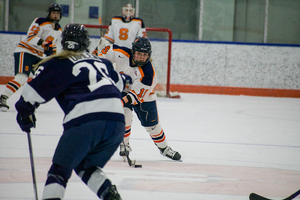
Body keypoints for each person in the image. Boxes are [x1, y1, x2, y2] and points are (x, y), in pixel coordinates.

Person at [15, 24, 132, 200]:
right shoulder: (103, 62)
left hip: (86, 120)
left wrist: (25, 113)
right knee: (85, 165)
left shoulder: (58, 62)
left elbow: (31, 94)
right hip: (116, 122)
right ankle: (110, 195)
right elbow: (122, 84)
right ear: (85, 43)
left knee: (58, 172)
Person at [98, 36, 181, 161]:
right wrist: (99, 66)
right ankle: (124, 145)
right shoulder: (121, 53)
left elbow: (133, 97)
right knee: (125, 116)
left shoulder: (148, 73)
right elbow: (105, 52)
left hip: (144, 96)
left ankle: (164, 149)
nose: (142, 57)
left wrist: (119, 101)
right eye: (139, 54)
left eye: (145, 54)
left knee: (153, 127)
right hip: (123, 90)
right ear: (133, 51)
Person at [0, 3, 63, 112]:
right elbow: (31, 36)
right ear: (49, 13)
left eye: (57, 13)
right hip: (26, 51)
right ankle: (3, 98)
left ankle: (28, 102)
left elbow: (53, 45)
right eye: (53, 13)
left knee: (43, 79)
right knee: (21, 78)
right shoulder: (40, 21)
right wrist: (44, 43)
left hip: (39, 56)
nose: (55, 16)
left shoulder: (59, 29)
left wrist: (52, 55)